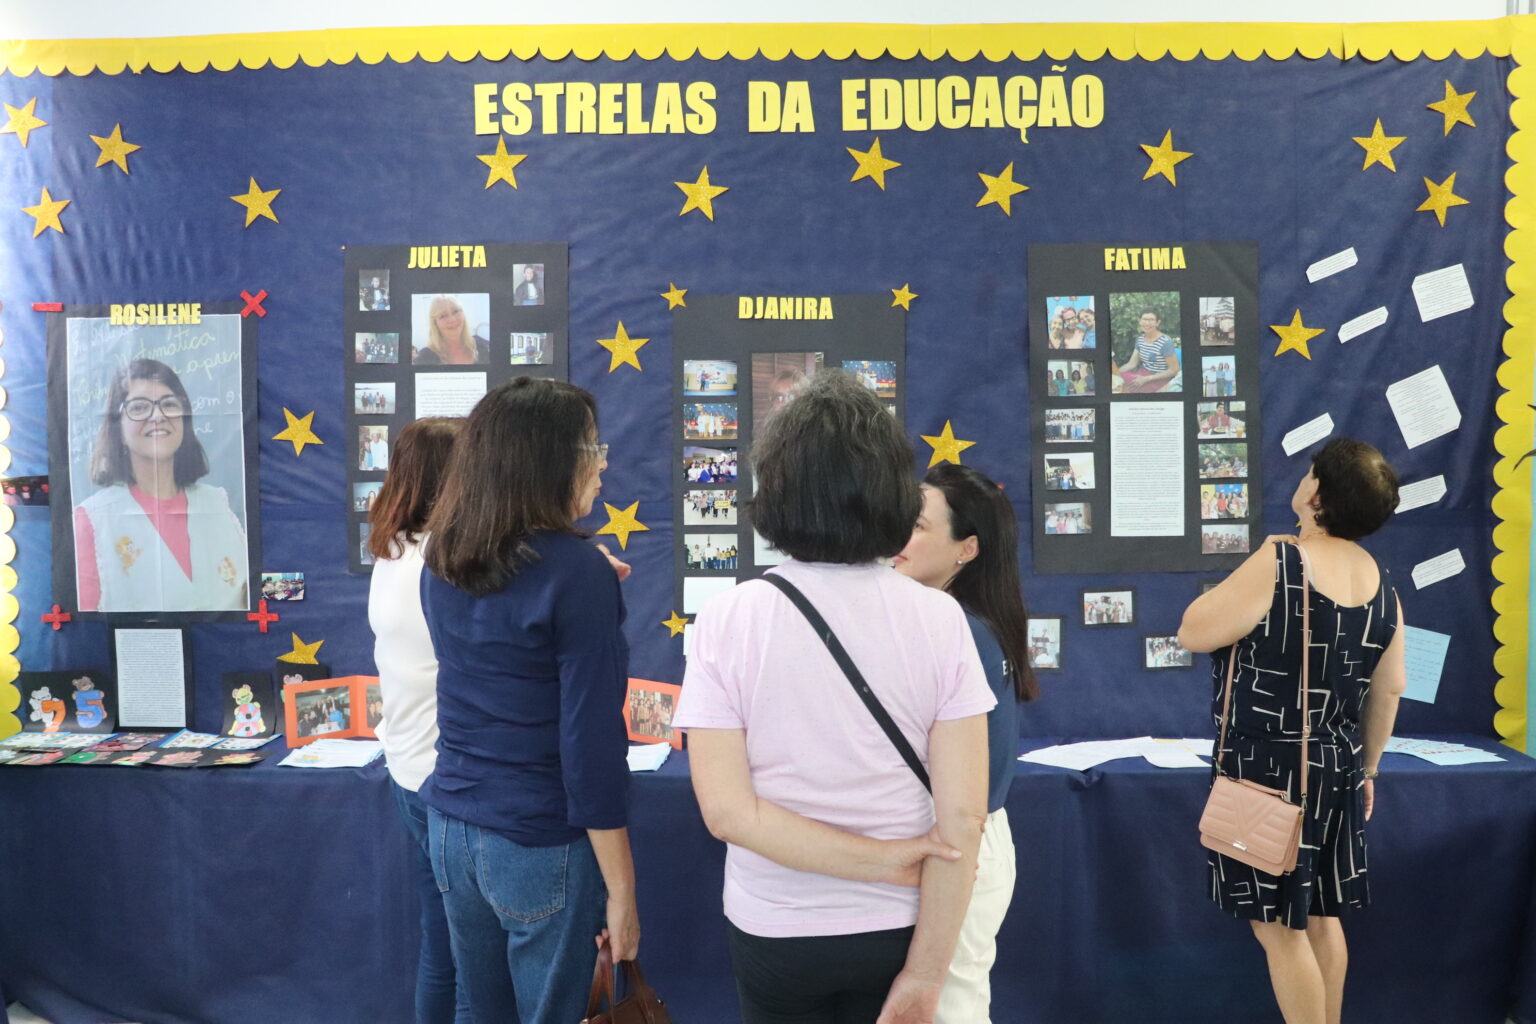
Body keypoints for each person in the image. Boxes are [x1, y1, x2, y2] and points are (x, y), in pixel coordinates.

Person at [676, 371, 994, 1024]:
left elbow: (729, 813)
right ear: (890, 492)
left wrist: (876, 864)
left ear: (777, 488)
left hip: (776, 924)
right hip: (898, 925)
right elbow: (963, 821)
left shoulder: (729, 617)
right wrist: (927, 974)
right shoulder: (938, 619)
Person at [419, 378, 637, 1024]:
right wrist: (623, 892)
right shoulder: (577, 575)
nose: (604, 462)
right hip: (541, 842)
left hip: (454, 828)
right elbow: (590, 749)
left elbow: (506, 620)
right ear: (549, 461)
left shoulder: (443, 555)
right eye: (593, 447)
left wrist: (580, 573)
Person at [1177, 438, 1407, 1024]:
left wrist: (1258, 556)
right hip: (1340, 764)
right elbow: (1390, 689)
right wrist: (1370, 768)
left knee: (1279, 929)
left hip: (1269, 769)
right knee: (1324, 917)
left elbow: (1194, 631)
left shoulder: (1282, 561)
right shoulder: (1384, 582)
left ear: (1317, 494)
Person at [894, 463, 1038, 1024]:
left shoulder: (958, 630)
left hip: (963, 844)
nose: (899, 538)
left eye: (920, 527)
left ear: (967, 549)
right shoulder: (961, 621)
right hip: (968, 841)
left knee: (948, 1008)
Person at [365, 416, 472, 1024]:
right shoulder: (444, 559)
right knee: (467, 955)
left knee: (444, 948)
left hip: (410, 767)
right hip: (445, 776)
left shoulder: (393, 550)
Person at [73, 358, 248, 612]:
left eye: (169, 404)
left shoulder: (218, 505)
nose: (158, 416)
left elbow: (252, 596)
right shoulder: (92, 520)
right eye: (139, 407)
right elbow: (84, 629)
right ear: (118, 427)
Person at [1117, 310, 1181, 393]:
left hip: (1159, 379)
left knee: (1125, 388)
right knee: (1118, 380)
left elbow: (1174, 370)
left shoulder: (1165, 341)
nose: (1147, 323)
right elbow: (1131, 364)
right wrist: (1116, 374)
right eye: (1144, 319)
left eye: (1151, 320)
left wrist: (1146, 379)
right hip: (1142, 375)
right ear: (1140, 321)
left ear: (1157, 323)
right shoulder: (1140, 340)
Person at [414, 295, 486, 365]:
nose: (452, 320)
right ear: (435, 324)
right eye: (443, 316)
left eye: (455, 311)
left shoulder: (480, 347)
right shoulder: (424, 358)